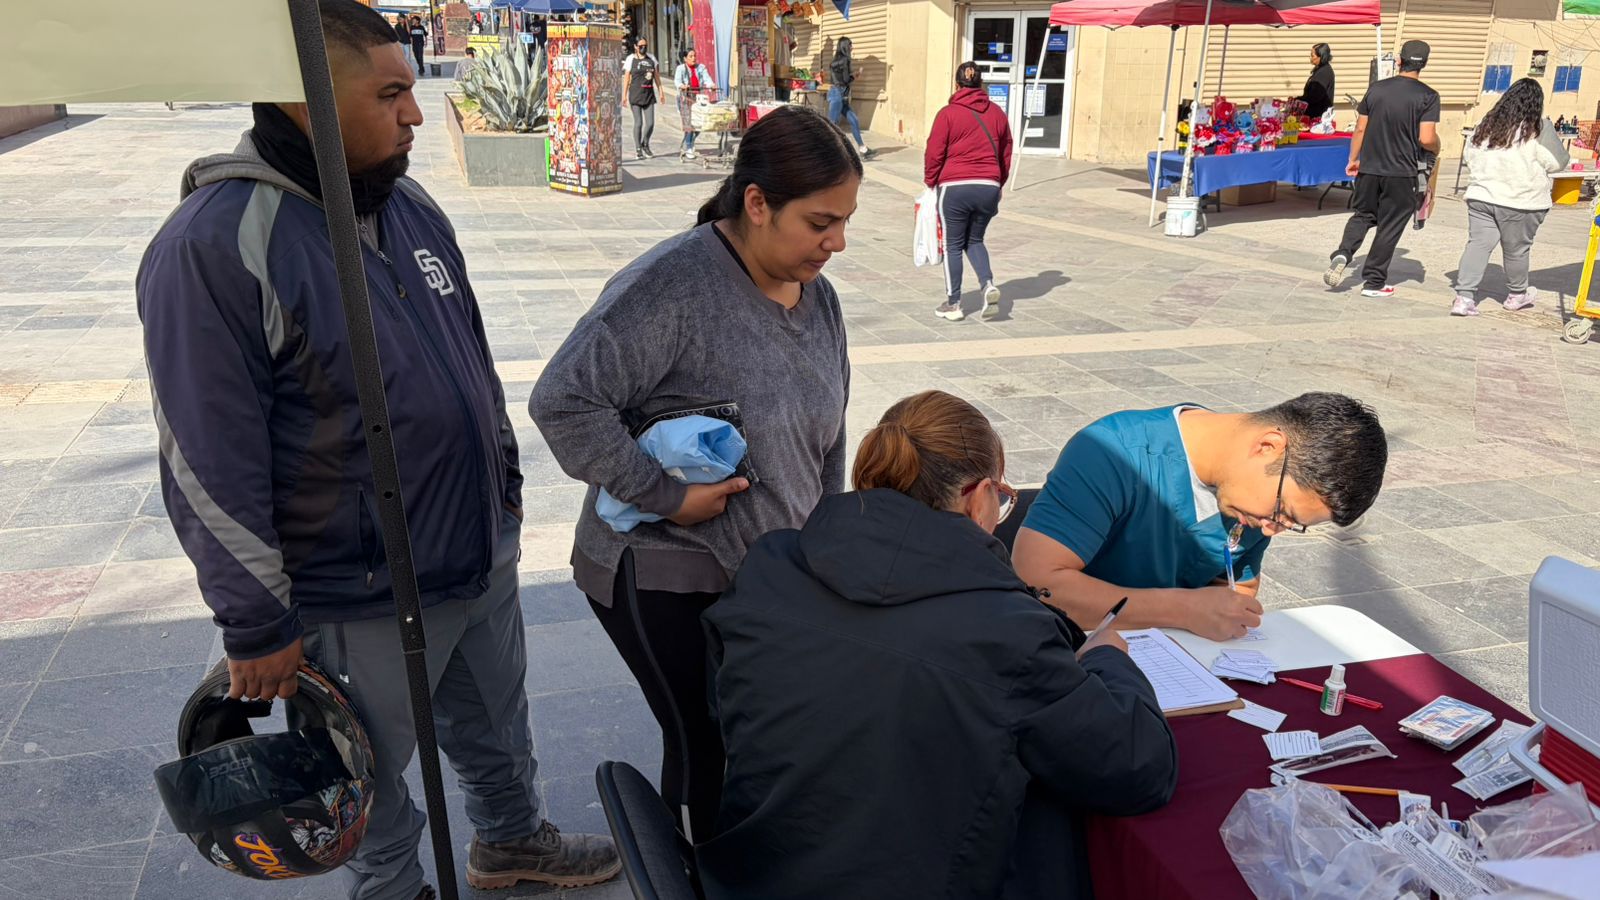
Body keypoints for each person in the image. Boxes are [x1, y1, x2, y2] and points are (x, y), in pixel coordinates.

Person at [135, 3, 620, 897]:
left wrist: (503, 497)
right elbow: (206, 458)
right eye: (391, 92)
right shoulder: (214, 246)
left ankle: (511, 843)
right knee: (368, 784)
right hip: (354, 590)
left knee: (496, 729)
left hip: (475, 553)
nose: (416, 114)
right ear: (304, 104)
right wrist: (255, 622)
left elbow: (467, 356)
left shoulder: (407, 204)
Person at [698, 390, 1178, 899]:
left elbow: (733, 706)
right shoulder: (1005, 631)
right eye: (1004, 499)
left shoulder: (770, 564)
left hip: (758, 875)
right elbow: (1137, 771)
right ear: (978, 497)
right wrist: (1108, 657)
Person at [530, 106, 857, 841]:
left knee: (760, 741)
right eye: (820, 222)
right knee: (706, 742)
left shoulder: (821, 299)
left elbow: (827, 439)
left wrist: (823, 552)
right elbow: (563, 401)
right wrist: (666, 496)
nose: (835, 243)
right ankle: (698, 878)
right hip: (662, 577)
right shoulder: (673, 285)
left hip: (768, 578)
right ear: (757, 202)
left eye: (845, 223)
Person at [1013, 394, 1387, 642]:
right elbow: (1038, 582)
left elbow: (1235, 586)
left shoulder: (1248, 499)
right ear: (1268, 447)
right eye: (1281, 513)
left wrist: (1223, 609)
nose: (1272, 529)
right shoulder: (1115, 452)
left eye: (1292, 525)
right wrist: (1183, 609)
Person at [1325, 40, 1441, 298]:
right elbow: (1426, 138)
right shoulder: (1428, 96)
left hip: (1370, 166)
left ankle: (1343, 252)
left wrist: (1354, 158)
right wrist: (1438, 145)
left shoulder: (1376, 89)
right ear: (1425, 64)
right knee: (1390, 225)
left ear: (1399, 61)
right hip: (1402, 172)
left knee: (1363, 215)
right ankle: (1374, 282)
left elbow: (1360, 128)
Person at [1452, 78, 1569, 317]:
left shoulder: (1486, 124)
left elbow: (1469, 156)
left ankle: (1464, 297)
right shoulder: (1539, 128)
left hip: (1482, 197)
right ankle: (1517, 295)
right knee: (1516, 250)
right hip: (1521, 200)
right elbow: (1558, 163)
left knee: (1478, 245)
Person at [924, 61, 1013, 322]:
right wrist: (998, 183)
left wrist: (930, 181)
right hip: (989, 185)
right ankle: (988, 285)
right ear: (981, 85)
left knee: (953, 245)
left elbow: (934, 151)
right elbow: (1006, 153)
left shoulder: (948, 113)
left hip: (955, 187)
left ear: (957, 85)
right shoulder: (997, 113)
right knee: (975, 240)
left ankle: (954, 303)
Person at [827, 37, 873, 159]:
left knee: (853, 120)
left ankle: (863, 149)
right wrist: (856, 75)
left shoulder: (836, 60)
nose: (852, 47)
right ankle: (827, 154)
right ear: (845, 46)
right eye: (850, 45)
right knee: (832, 126)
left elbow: (838, 78)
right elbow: (846, 80)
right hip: (838, 95)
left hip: (839, 94)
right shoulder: (845, 60)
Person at [623, 37, 662, 159]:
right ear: (635, 47)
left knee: (650, 123)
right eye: (640, 46)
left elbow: (657, 77)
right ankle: (638, 148)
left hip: (648, 94)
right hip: (635, 94)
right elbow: (626, 78)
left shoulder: (651, 59)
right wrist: (623, 95)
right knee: (638, 123)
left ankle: (645, 143)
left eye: (645, 45)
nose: (643, 48)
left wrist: (661, 92)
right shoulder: (630, 59)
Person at [674, 48, 715, 161]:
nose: (693, 58)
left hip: (698, 98)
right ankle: (689, 146)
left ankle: (690, 141)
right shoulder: (681, 69)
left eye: (694, 56)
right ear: (685, 58)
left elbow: (707, 79)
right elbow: (677, 81)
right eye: (690, 56)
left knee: (699, 123)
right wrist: (682, 86)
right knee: (689, 125)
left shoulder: (700, 68)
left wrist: (711, 85)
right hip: (685, 98)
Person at [1299, 42, 1336, 121]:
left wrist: (1299, 101)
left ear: (1321, 57)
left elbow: (1315, 96)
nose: (1310, 57)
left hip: (1318, 118)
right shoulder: (1320, 70)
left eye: (1312, 55)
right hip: (1314, 115)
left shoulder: (1324, 72)